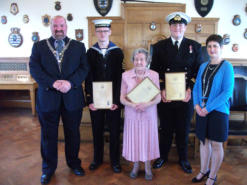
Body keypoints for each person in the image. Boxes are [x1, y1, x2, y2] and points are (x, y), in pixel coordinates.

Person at [29, 16, 89, 184]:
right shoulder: (39, 47)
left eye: (61, 25)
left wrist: (71, 83)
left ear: (66, 26)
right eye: (55, 26)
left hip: (72, 98)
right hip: (48, 98)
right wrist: (52, 82)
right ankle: (48, 169)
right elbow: (34, 68)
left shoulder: (79, 46)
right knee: (48, 136)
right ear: (51, 27)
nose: (58, 29)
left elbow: (84, 68)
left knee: (73, 134)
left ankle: (74, 163)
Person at [151, 12, 203, 173]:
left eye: (180, 25)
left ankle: (183, 159)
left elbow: (197, 72)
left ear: (185, 27)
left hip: (185, 96)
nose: (177, 28)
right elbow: (155, 71)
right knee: (165, 129)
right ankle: (163, 157)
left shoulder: (195, 46)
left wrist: (190, 89)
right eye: (174, 25)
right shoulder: (159, 47)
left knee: (183, 129)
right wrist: (162, 89)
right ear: (170, 27)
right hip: (166, 96)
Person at [192, 34, 234, 185]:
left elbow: (227, 92)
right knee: (204, 142)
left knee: (216, 144)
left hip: (219, 111)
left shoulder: (227, 67)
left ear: (221, 48)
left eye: (215, 46)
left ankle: (213, 175)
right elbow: (196, 87)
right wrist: (196, 105)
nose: (212, 49)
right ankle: (204, 170)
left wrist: (208, 108)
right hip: (202, 109)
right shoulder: (203, 66)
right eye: (209, 46)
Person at [85, 19, 124, 173]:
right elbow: (87, 77)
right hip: (96, 100)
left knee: (115, 131)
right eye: (99, 31)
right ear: (95, 33)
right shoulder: (90, 52)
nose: (102, 33)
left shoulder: (117, 52)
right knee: (97, 130)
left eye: (105, 31)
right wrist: (90, 100)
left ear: (110, 31)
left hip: (112, 100)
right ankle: (97, 159)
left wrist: (116, 101)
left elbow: (120, 78)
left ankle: (115, 161)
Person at [120, 48, 161, 180]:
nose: (139, 62)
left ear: (147, 61)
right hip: (132, 114)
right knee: (135, 139)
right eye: (136, 59)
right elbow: (121, 98)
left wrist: (146, 105)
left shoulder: (154, 75)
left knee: (147, 139)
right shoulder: (125, 75)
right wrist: (133, 105)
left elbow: (158, 98)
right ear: (133, 61)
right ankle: (136, 165)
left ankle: (148, 166)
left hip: (149, 114)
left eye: (141, 59)